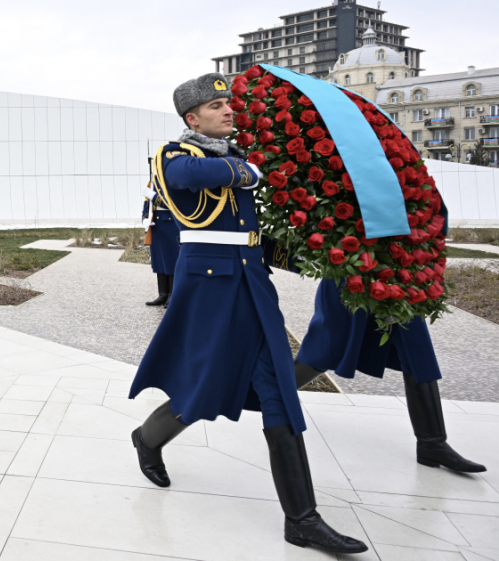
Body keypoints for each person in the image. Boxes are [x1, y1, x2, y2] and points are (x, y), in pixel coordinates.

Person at [128, 73, 368, 555]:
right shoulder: (178, 156)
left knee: (279, 390)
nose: (228, 111)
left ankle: (301, 519)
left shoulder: (232, 157)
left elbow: (248, 231)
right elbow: (189, 181)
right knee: (201, 382)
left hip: (252, 286)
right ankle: (147, 437)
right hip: (208, 288)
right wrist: (253, 169)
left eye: (228, 104)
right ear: (192, 118)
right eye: (217, 106)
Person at [293, 277, 486, 473]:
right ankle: (263, 396)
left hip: (399, 274)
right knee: (324, 351)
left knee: (418, 351)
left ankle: (432, 443)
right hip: (349, 272)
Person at [141, 183, 180, 308]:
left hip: (171, 224)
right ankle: (163, 294)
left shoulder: (172, 179)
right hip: (156, 224)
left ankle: (172, 295)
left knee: (171, 260)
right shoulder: (152, 182)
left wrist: (154, 196)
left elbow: (173, 203)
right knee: (160, 260)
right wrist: (145, 218)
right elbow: (146, 203)